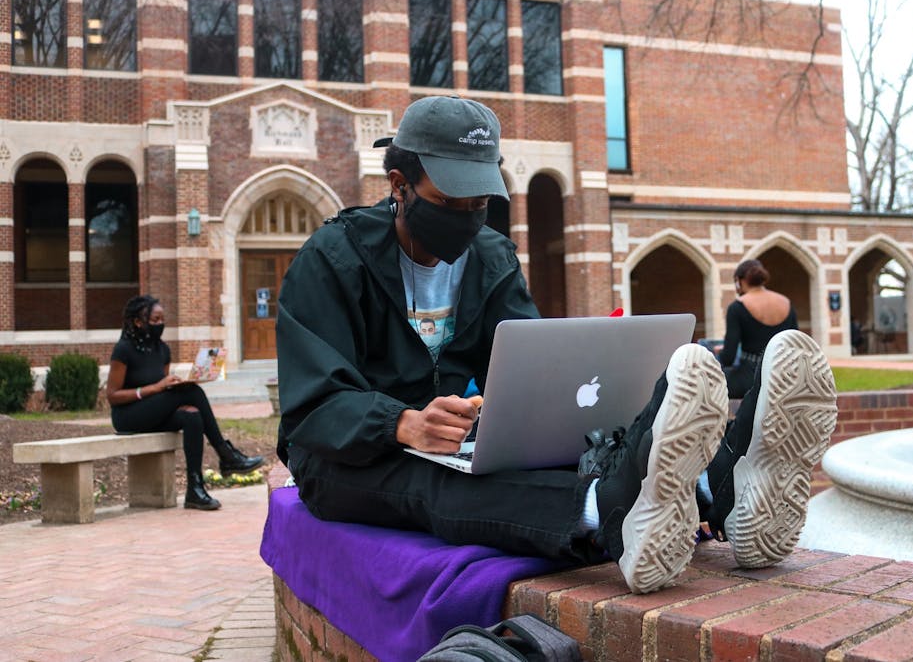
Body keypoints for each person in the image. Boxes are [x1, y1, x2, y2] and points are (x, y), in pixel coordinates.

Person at [276, 96, 838, 594]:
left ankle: (718, 487)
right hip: (344, 458)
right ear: (399, 186)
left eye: (482, 201)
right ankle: (611, 513)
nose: (472, 217)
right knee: (436, 481)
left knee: (549, 442)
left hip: (447, 438)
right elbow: (310, 408)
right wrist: (401, 422)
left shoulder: (491, 256)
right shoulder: (332, 259)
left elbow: (538, 375)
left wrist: (508, 408)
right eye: (455, 200)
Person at [106, 295, 264, 510]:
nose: (160, 324)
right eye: (154, 320)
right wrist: (156, 388)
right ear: (138, 321)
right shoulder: (123, 350)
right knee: (192, 392)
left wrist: (171, 387)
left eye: (162, 319)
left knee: (192, 415)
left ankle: (195, 490)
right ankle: (226, 454)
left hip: (153, 413)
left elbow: (163, 391)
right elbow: (113, 395)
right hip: (128, 416)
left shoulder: (163, 350)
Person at [718, 259, 798, 399]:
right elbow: (795, 347)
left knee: (711, 384)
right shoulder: (786, 303)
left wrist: (719, 355)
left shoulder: (737, 307)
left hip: (750, 379)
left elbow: (728, 357)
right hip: (782, 379)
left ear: (739, 281)